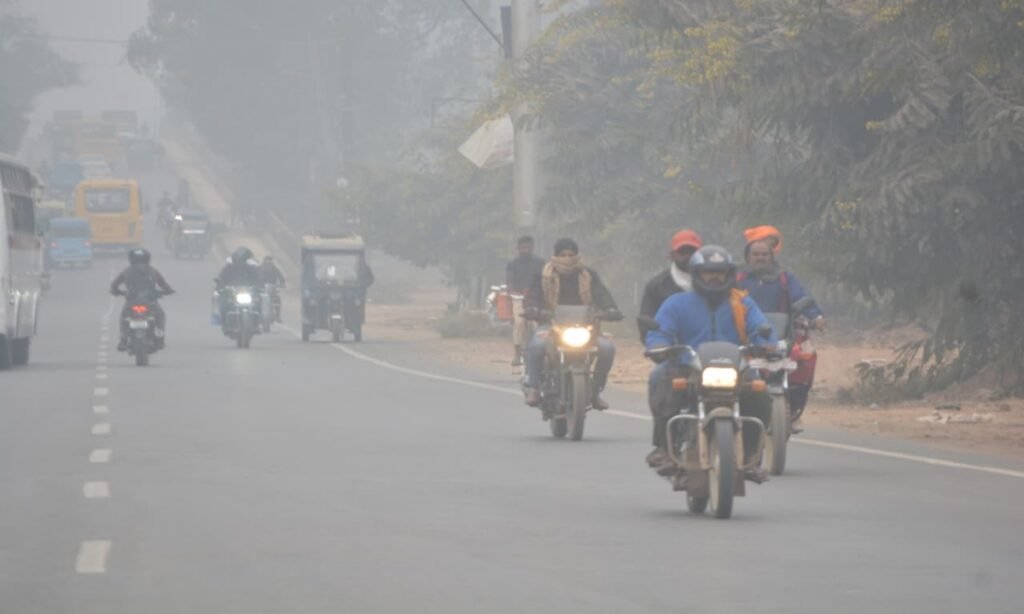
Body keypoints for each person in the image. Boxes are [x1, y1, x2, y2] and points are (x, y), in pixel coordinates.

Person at [644, 245, 775, 473]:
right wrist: (659, 345)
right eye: (708, 272)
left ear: (728, 274)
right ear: (697, 274)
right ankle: (664, 448)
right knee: (659, 378)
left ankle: (752, 455)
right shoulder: (677, 303)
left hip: (735, 368)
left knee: (761, 395)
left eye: (720, 272)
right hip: (688, 366)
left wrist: (768, 344)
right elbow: (659, 331)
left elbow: (762, 328)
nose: (715, 277)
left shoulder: (742, 302)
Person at [737, 226, 824, 432]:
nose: (760, 258)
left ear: (771, 256)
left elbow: (801, 296)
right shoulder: (737, 278)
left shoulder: (785, 278)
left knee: (805, 359)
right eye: (755, 254)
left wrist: (816, 317)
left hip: (781, 336)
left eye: (764, 254)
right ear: (748, 257)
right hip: (743, 337)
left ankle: (793, 410)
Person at [523, 238, 622, 410]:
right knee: (537, 345)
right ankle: (534, 388)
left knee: (607, 348)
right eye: (563, 255)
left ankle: (595, 390)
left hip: (585, 327)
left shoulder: (588, 275)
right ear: (555, 256)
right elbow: (533, 295)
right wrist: (532, 308)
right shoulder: (543, 274)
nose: (567, 258)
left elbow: (601, 293)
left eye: (571, 254)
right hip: (551, 325)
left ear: (577, 256)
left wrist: (611, 308)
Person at [638, 229, 703, 341]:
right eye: (682, 252)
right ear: (672, 255)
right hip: (672, 352)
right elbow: (647, 324)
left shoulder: (716, 282)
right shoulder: (656, 286)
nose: (687, 256)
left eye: (691, 251)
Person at [110, 248, 175, 351]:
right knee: (160, 315)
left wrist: (116, 291)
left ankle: (123, 338)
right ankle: (160, 336)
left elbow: (114, 285)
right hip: (150, 302)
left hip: (131, 302)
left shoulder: (127, 271)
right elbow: (163, 284)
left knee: (124, 316)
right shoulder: (152, 271)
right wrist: (169, 291)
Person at [505, 235, 546, 366]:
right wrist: (513, 291)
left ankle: (540, 350)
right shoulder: (512, 264)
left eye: (528, 247)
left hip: (536, 298)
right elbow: (509, 281)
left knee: (537, 323)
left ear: (533, 247)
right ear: (518, 248)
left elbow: (545, 280)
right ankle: (517, 353)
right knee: (519, 322)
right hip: (519, 298)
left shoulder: (541, 263)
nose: (525, 250)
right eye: (523, 248)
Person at [259, 255, 287, 322]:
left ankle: (277, 316)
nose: (269, 261)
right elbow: (254, 277)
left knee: (277, 300)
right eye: (267, 260)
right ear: (264, 261)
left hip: (273, 287)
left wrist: (282, 283)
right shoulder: (259, 268)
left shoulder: (274, 268)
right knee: (256, 300)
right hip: (261, 288)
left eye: (270, 260)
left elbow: (280, 276)